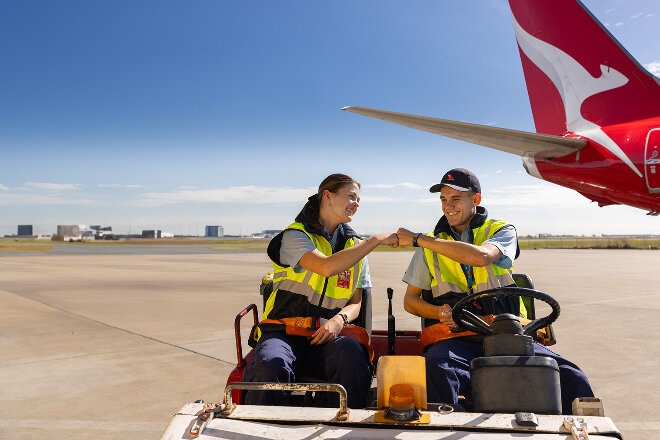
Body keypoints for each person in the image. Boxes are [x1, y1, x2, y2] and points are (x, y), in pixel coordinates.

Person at [397, 167, 594, 414]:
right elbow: (410, 301)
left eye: (456, 199)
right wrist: (438, 312)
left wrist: (418, 238)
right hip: (458, 339)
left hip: (509, 334)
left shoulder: (500, 231)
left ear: (476, 200)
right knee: (438, 367)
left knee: (572, 377)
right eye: (444, 200)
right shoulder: (428, 248)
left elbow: (483, 257)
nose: (448, 206)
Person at [242, 173, 398, 408]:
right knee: (271, 362)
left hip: (327, 335)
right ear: (327, 196)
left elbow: (357, 300)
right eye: (351, 197)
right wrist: (374, 240)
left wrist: (339, 320)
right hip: (284, 333)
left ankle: (346, 426)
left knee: (352, 356)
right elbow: (326, 267)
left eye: (358, 200)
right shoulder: (296, 236)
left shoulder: (355, 246)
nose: (356, 204)